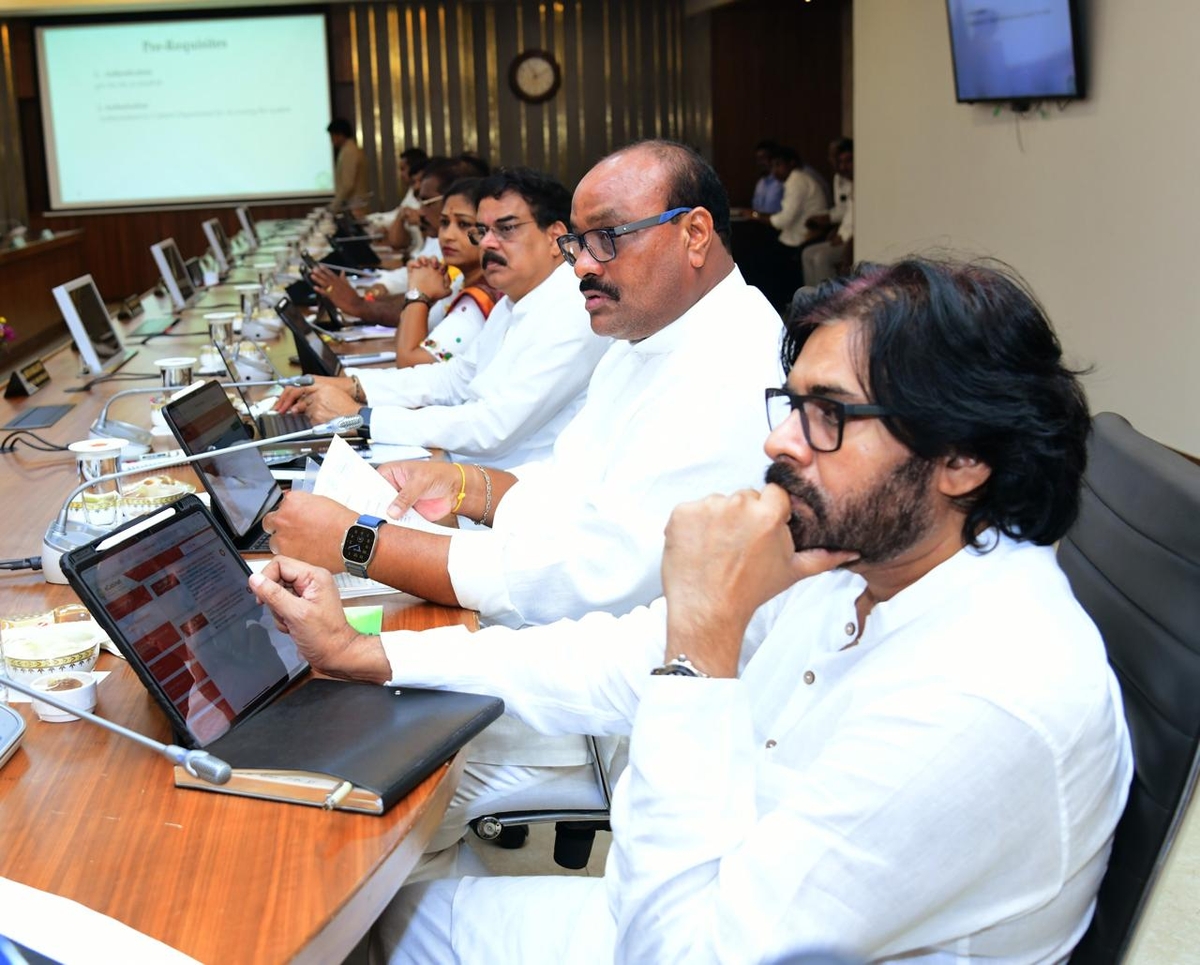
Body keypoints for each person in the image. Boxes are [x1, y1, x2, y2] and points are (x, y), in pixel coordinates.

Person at [250, 257, 1133, 964]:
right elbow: (617, 655)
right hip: (698, 892)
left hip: (691, 929)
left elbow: (679, 950)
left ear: (963, 458)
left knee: (347, 925)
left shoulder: (982, 696)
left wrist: (701, 650)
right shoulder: (868, 554)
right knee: (380, 917)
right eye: (792, 403)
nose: (778, 441)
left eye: (828, 414)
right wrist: (375, 655)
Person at [265, 140, 782, 629]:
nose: (581, 265)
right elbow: (568, 483)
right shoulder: (642, 335)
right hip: (552, 612)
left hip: (607, 659)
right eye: (578, 243)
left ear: (695, 234)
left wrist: (362, 543)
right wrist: (462, 486)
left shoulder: (733, 364)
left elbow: (593, 578)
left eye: (606, 237)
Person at [277, 167, 607, 468]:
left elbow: (492, 427)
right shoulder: (515, 301)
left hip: (512, 490)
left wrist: (361, 418)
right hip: (467, 468)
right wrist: (354, 386)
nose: (487, 243)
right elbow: (454, 379)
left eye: (506, 229)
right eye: (482, 231)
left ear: (555, 236)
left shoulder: (574, 309)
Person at [391, 177, 500, 367]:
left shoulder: (481, 298)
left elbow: (410, 365)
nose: (447, 236)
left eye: (464, 224)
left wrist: (419, 296)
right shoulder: (458, 283)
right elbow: (401, 345)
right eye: (444, 222)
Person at [803, 138, 855, 286]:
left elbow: (856, 218)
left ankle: (828, 298)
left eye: (848, 161)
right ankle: (812, 296)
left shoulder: (861, 180)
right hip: (843, 232)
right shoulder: (840, 178)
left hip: (852, 238)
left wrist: (844, 235)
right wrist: (836, 228)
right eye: (837, 159)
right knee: (807, 253)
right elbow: (845, 211)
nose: (842, 166)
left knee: (821, 258)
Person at [326, 118, 369, 216]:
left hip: (354, 207)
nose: (331, 140)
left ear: (340, 135)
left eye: (332, 136)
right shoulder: (351, 149)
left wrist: (334, 206)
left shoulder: (349, 152)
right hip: (354, 206)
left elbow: (347, 184)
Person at [750, 138, 783, 214]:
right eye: (758, 159)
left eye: (763, 158)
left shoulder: (781, 182)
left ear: (774, 159)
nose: (759, 163)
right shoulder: (760, 183)